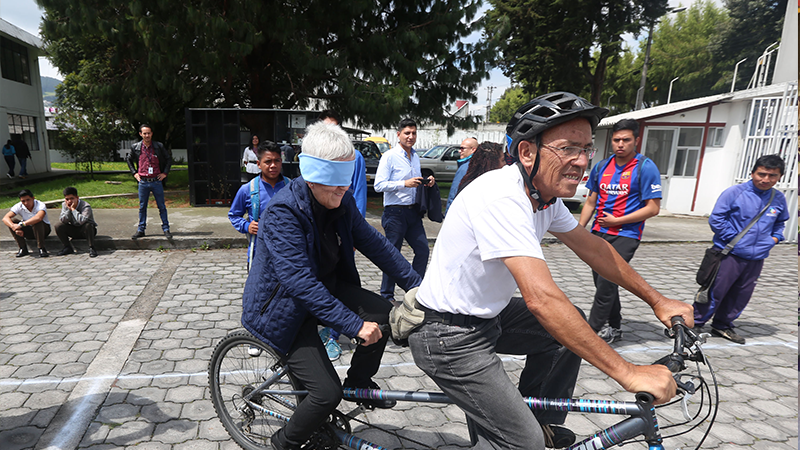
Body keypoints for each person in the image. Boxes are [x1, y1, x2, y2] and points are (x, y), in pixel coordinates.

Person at [408, 92, 693, 450]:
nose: (581, 161)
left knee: (569, 327)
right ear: (527, 152)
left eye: (586, 149)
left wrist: (658, 301)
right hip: (448, 337)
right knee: (523, 443)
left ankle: (540, 420)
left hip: (487, 319)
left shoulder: (544, 197)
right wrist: (629, 373)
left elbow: (594, 248)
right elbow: (542, 298)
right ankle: (524, 435)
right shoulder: (502, 198)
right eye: (568, 148)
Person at [241, 122, 421, 450]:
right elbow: (299, 283)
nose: (344, 189)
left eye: (346, 181)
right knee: (325, 394)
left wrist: (419, 289)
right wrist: (354, 326)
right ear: (312, 176)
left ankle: (359, 382)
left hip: (323, 287)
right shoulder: (283, 213)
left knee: (385, 315)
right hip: (283, 309)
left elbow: (376, 245)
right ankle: (282, 443)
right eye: (336, 183)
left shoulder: (341, 201)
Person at [578, 118, 662, 344]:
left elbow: (653, 208)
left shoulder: (645, 167)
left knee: (606, 283)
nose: (620, 144)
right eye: (616, 140)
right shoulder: (601, 167)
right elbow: (590, 202)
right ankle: (615, 327)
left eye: (626, 140)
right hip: (598, 232)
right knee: (603, 282)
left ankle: (590, 334)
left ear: (636, 140)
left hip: (626, 235)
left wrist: (617, 220)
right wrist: (579, 231)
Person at [693, 154, 788, 344]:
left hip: (757, 257)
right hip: (729, 254)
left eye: (772, 175)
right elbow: (716, 219)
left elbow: (780, 223)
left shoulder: (778, 198)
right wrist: (736, 241)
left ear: (780, 177)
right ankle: (695, 324)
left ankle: (722, 325)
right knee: (715, 291)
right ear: (752, 173)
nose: (766, 179)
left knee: (741, 294)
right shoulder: (734, 192)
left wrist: (774, 239)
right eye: (761, 174)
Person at [316, 110, 367, 360]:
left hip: (342, 228)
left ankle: (334, 335)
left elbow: (359, 194)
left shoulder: (354, 158)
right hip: (320, 231)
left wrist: (353, 234)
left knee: (343, 281)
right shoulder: (314, 157)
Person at [374, 118, 434, 301]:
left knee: (423, 250)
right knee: (392, 254)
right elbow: (378, 185)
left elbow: (415, 182)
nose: (411, 136)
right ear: (398, 134)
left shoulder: (415, 156)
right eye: (407, 133)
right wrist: (403, 184)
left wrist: (426, 182)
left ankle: (414, 291)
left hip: (413, 212)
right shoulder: (389, 156)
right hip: (395, 213)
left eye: (414, 133)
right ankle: (387, 295)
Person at [228, 140, 289, 271]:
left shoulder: (291, 187)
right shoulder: (247, 189)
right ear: (258, 164)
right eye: (268, 161)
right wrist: (247, 226)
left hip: (287, 256)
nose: (273, 165)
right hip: (259, 256)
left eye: (277, 161)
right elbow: (234, 215)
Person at [127, 124, 173, 240]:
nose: (147, 135)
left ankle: (166, 229)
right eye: (144, 133)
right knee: (142, 207)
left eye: (148, 133)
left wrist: (165, 173)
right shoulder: (136, 147)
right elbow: (129, 159)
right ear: (140, 134)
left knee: (161, 206)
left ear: (152, 134)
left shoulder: (158, 146)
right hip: (143, 181)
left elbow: (168, 159)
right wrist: (134, 173)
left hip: (156, 181)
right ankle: (141, 229)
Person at [3, 189, 51, 257]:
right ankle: (22, 248)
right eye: (23, 201)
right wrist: (14, 227)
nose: (26, 203)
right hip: (29, 230)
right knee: (12, 221)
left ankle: (41, 248)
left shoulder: (40, 205)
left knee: (36, 221)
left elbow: (39, 217)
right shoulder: (19, 206)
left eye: (28, 200)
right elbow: (5, 218)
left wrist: (21, 224)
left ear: (33, 198)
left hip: (43, 230)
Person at [54, 186, 98, 257]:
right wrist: (68, 210)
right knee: (58, 225)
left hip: (87, 231)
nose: (69, 201)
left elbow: (81, 221)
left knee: (88, 225)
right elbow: (63, 220)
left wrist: (73, 210)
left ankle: (92, 248)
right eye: (67, 199)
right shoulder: (64, 205)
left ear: (77, 198)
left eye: (72, 198)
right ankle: (67, 247)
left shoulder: (85, 206)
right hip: (74, 229)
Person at [445, 137, 478, 214]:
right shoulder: (477, 165)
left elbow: (454, 193)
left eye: (463, 148)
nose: (459, 151)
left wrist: (448, 213)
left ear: (473, 149)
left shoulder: (465, 167)